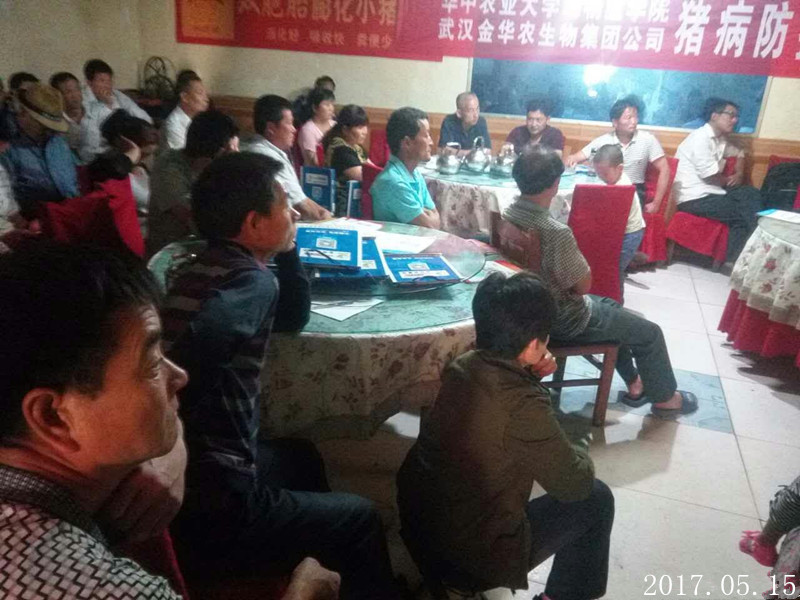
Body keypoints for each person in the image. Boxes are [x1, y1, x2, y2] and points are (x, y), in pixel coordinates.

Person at [0, 242, 341, 600]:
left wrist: (171, 449)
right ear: (53, 417)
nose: (180, 376)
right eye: (151, 365)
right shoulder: (99, 588)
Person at [163, 152, 399, 599]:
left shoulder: (202, 266)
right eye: (284, 206)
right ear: (253, 224)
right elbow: (202, 347)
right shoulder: (250, 283)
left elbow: (292, 315)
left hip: (201, 474)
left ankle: (318, 563)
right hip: (218, 498)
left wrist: (288, 251)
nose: (294, 212)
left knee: (300, 456)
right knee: (362, 517)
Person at [397, 271, 614, 600]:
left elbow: (501, 401)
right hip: (466, 561)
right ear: (534, 345)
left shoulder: (462, 366)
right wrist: (579, 448)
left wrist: (529, 377)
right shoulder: (524, 404)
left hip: (419, 528)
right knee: (597, 498)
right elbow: (574, 484)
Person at [505, 146, 698, 418]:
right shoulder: (554, 231)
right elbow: (583, 286)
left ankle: (635, 383)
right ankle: (666, 399)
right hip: (565, 320)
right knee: (650, 333)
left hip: (528, 314)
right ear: (555, 184)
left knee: (614, 310)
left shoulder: (508, 215)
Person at [673, 98, 763, 264]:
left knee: (751, 193)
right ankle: (746, 255)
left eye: (736, 116)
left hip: (712, 192)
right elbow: (709, 175)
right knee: (744, 214)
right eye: (731, 115)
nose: (734, 120)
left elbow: (739, 152)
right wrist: (728, 180)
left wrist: (739, 173)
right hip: (694, 197)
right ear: (714, 116)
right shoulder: (700, 138)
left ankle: (752, 247)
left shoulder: (719, 139)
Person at [147, 109, 239, 256]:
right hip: (173, 254)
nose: (236, 155)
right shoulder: (168, 168)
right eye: (231, 150)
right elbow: (196, 218)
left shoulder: (219, 166)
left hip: (209, 248)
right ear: (216, 152)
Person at [565, 96, 671, 215]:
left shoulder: (648, 140)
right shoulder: (603, 141)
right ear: (615, 122)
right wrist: (572, 161)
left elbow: (665, 169)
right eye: (629, 118)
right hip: (606, 188)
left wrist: (656, 203)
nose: (634, 122)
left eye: (636, 117)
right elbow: (574, 158)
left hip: (634, 190)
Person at [244, 94, 331, 221]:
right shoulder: (265, 156)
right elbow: (301, 206)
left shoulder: (266, 150)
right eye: (289, 123)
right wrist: (324, 216)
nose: (294, 129)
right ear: (271, 128)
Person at [4, 83, 78, 217]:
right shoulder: (9, 151)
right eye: (42, 124)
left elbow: (71, 184)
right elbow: (7, 200)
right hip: (34, 218)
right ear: (23, 114)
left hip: (68, 212)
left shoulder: (58, 143)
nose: (49, 129)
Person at [371, 106, 440, 228]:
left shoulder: (415, 174)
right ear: (407, 143)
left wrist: (425, 215)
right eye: (426, 135)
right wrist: (424, 213)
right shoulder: (392, 182)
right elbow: (430, 225)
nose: (431, 142)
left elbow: (436, 220)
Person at [95, 109, 159, 239]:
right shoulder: (115, 173)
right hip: (138, 236)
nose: (154, 142)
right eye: (148, 142)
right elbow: (153, 203)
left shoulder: (138, 169)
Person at [592, 144, 646, 300]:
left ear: (620, 168)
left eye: (604, 173)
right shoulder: (614, 179)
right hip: (620, 231)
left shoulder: (622, 187)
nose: (601, 177)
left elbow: (610, 216)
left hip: (630, 233)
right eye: (598, 173)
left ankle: (617, 303)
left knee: (615, 271)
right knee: (612, 268)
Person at [80, 59, 153, 163]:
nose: (107, 85)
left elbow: (143, 117)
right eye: (102, 81)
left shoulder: (116, 95)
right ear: (89, 83)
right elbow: (92, 138)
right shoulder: (83, 101)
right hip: (99, 152)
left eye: (109, 81)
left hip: (126, 143)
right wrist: (108, 105)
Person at [322, 104, 370, 212]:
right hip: (341, 206)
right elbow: (365, 177)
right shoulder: (341, 150)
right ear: (345, 130)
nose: (365, 132)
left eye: (365, 126)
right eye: (360, 127)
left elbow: (371, 168)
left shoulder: (357, 148)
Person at [161, 70, 209, 151]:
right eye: (200, 93)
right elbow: (184, 156)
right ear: (184, 97)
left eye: (206, 94)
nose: (206, 99)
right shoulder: (174, 124)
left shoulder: (201, 119)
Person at [297, 87, 336, 166]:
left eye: (332, 104)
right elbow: (313, 162)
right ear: (314, 108)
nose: (331, 108)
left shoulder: (335, 124)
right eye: (327, 104)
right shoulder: (308, 130)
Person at [50, 71, 85, 155]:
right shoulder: (56, 124)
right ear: (58, 96)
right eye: (69, 92)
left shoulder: (94, 112)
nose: (75, 95)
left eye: (77, 89)